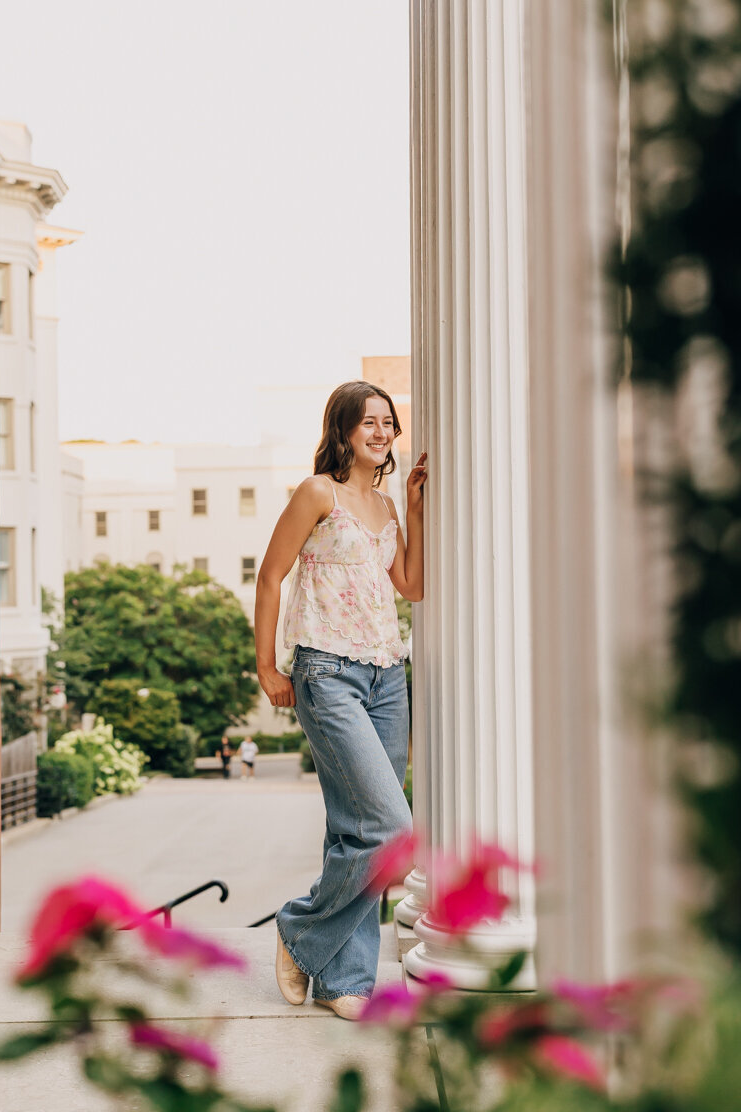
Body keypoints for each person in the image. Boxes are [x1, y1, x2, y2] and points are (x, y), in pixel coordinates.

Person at [255, 380, 426, 1021]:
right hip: (327, 672)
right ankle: (301, 930)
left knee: (355, 830)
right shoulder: (317, 493)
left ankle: (343, 979)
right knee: (393, 829)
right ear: (344, 430)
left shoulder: (382, 505)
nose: (381, 433)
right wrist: (266, 666)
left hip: (386, 678)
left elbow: (410, 585)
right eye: (369, 423)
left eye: (388, 423)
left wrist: (413, 508)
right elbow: (271, 575)